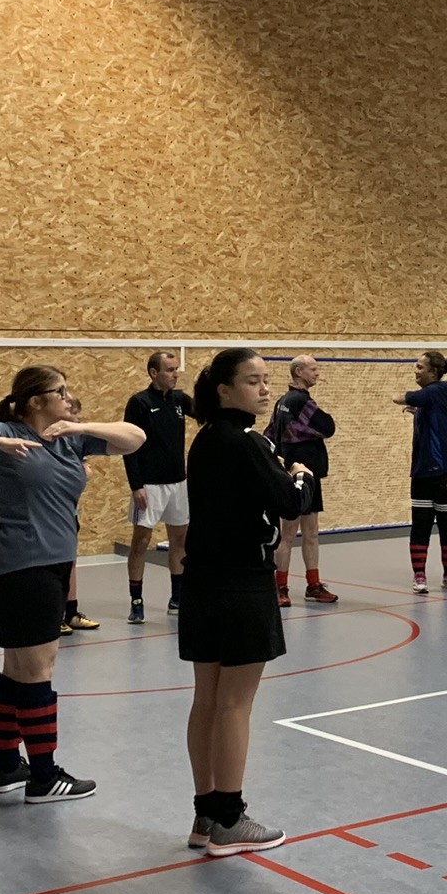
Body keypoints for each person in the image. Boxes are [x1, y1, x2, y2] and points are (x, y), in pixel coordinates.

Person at [0, 366, 144, 803]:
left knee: (16, 670)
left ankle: (7, 768)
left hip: (54, 563)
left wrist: (81, 425)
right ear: (34, 401)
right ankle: (44, 776)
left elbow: (134, 438)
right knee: (38, 671)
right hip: (23, 564)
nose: (68, 397)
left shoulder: (73, 437)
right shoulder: (5, 431)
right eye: (59, 391)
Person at [178, 347, 313, 857]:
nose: (262, 390)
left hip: (202, 583)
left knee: (208, 700)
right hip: (241, 585)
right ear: (224, 390)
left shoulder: (207, 440)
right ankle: (231, 819)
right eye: (253, 381)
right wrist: (299, 474)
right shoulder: (247, 443)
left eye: (265, 381)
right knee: (234, 702)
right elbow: (289, 503)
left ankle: (206, 812)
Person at [123, 350, 189, 625]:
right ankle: (136, 602)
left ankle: (177, 598)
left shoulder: (180, 400)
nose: (175, 374)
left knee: (180, 542)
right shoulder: (139, 403)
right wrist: (136, 485)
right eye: (170, 369)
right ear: (153, 372)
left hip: (178, 483)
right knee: (141, 543)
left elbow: (210, 416)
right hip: (149, 486)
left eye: (176, 369)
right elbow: (129, 446)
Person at [394, 350, 447, 594]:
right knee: (421, 525)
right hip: (423, 472)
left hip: (446, 471)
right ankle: (420, 575)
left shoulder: (437, 391)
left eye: (420, 367)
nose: (416, 371)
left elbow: (407, 397)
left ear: (434, 372)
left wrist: (399, 397)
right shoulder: (431, 402)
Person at [268, 355, 337, 609]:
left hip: (306, 476)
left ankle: (313, 584)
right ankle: (281, 587)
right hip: (297, 476)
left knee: (309, 532)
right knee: (291, 533)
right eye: (313, 369)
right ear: (299, 372)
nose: (317, 373)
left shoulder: (282, 402)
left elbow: (271, 433)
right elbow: (328, 427)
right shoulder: (300, 401)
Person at [59, 397, 100, 635]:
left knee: (71, 561)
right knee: (58, 565)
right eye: (76, 418)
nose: (79, 422)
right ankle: (55, 615)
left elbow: (86, 471)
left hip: (70, 511)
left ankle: (71, 612)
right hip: (53, 513)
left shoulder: (76, 442)